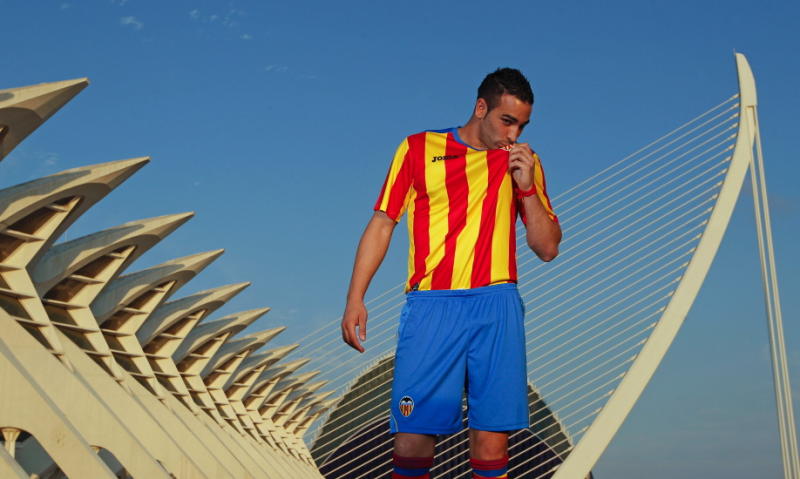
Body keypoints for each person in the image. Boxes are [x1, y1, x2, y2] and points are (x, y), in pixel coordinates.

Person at [341, 67, 561, 479]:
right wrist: (356, 297)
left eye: (522, 125)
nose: (513, 134)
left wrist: (527, 187)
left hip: (495, 306)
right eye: (506, 121)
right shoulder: (418, 149)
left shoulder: (524, 163)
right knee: (411, 440)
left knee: (492, 443)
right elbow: (383, 223)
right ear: (480, 108)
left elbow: (547, 248)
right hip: (431, 307)